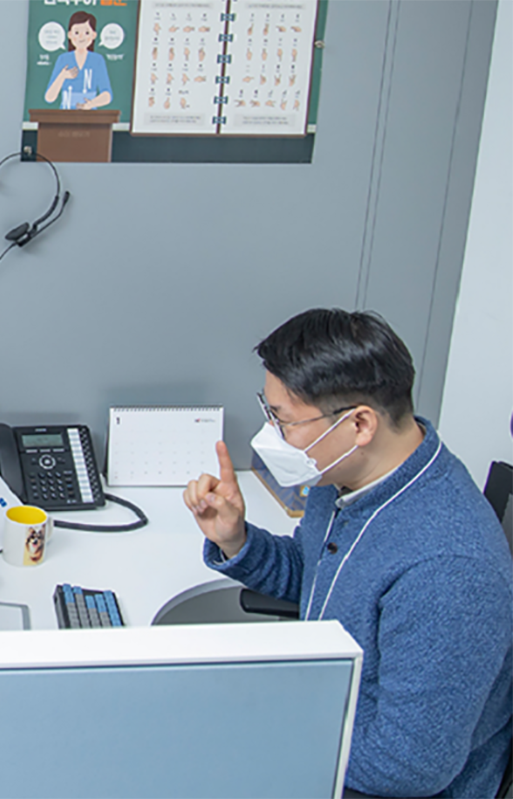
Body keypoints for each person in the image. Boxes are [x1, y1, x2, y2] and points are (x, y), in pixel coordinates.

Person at [184, 309, 513, 799]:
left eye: (283, 420)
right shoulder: (346, 475)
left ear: (360, 423)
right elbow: (320, 576)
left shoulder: (448, 570)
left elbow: (409, 767)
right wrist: (236, 539)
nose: (271, 434)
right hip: (329, 718)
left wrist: (265, 721)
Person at [43, 11, 113, 111]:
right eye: (76, 33)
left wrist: (91, 104)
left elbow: (107, 95)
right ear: (70, 35)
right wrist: (62, 76)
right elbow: (49, 97)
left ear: (93, 35)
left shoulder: (97, 60)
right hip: (65, 115)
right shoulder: (63, 59)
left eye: (86, 33)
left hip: (90, 117)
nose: (81, 37)